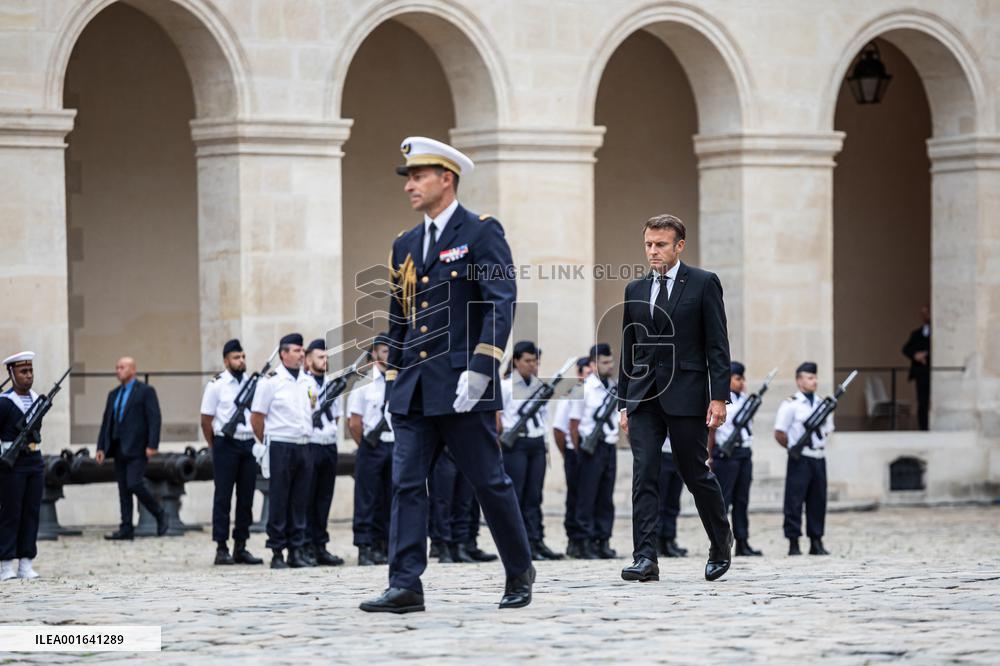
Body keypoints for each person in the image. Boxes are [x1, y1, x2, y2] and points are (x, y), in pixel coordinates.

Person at [359, 136, 533, 614]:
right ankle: (405, 584)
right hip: (413, 388)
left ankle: (519, 569)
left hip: (462, 385)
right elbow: (400, 313)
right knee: (407, 484)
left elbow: (501, 301)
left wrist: (482, 368)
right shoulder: (405, 244)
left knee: (488, 482)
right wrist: (392, 374)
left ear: (446, 179)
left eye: (418, 177)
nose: (409, 186)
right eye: (408, 178)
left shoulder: (480, 232)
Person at [618, 214, 734, 584]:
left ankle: (720, 542)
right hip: (644, 396)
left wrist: (719, 398)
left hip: (686, 392)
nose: (653, 251)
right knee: (644, 473)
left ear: (679, 245)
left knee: (694, 472)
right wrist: (623, 401)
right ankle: (645, 557)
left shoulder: (702, 283)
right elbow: (629, 346)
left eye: (661, 245)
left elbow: (717, 346)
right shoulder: (635, 289)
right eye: (649, 244)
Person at [250, 333, 314, 569]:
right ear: (283, 354)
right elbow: (257, 417)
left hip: (304, 444)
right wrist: (267, 442)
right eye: (296, 351)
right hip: (281, 444)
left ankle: (296, 550)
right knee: (279, 498)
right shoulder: (270, 381)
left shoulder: (307, 381)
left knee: (300, 499)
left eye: (301, 351)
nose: (301, 355)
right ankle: (277, 550)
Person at [199, 339, 263, 565]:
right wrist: (214, 444)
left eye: (243, 356)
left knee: (246, 498)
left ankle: (241, 545)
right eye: (236, 357)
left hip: (247, 444)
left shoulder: (252, 383)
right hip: (225, 444)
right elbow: (206, 419)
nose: (241, 361)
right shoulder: (217, 384)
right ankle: (221, 547)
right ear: (226, 361)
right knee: (223, 497)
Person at [498, 341, 562, 561]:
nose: (533, 365)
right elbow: (497, 418)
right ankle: (518, 543)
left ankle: (536, 540)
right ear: (516, 361)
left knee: (534, 496)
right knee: (517, 495)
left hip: (535, 443)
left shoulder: (538, 386)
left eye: (536, 361)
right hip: (515, 444)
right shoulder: (506, 386)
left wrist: (544, 443)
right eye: (528, 361)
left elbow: (544, 418)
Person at [96, 357, 168, 540]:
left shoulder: (145, 391)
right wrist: (101, 447)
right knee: (123, 489)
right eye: (117, 367)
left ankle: (159, 513)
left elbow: (154, 418)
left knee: (134, 483)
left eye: (122, 367)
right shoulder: (113, 394)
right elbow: (106, 423)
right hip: (117, 446)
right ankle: (126, 528)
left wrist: (153, 445)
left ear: (133, 370)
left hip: (138, 447)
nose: (118, 370)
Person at [775, 362, 833, 556]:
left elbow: (828, 431)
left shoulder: (822, 403)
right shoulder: (791, 404)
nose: (814, 381)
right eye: (809, 378)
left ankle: (816, 541)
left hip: (818, 457)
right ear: (799, 381)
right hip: (800, 458)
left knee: (818, 500)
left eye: (815, 377)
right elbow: (780, 432)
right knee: (794, 500)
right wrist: (793, 448)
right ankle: (794, 542)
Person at [568, 344, 619, 561]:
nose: (610, 366)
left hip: (609, 445)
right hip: (590, 448)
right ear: (593, 364)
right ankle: (583, 541)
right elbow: (573, 424)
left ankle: (603, 539)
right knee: (586, 497)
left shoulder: (614, 387)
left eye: (610, 361)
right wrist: (580, 451)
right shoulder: (584, 388)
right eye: (604, 362)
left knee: (605, 496)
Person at [708, 361, 762, 556]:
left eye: (743, 379)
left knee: (742, 500)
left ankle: (743, 541)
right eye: (738, 378)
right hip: (725, 456)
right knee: (724, 502)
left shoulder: (745, 399)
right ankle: (720, 543)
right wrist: (709, 456)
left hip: (743, 453)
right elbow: (711, 431)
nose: (742, 382)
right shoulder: (719, 401)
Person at [348, 333, 394, 566]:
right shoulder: (362, 384)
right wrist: (366, 445)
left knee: (389, 497)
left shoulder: (399, 381)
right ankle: (364, 547)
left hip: (394, 445)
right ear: (375, 353)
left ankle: (383, 544)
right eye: (385, 351)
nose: (390, 355)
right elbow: (354, 423)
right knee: (367, 498)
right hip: (372, 445)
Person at [0, 352, 44, 580]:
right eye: (23, 372)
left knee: (31, 512)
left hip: (34, 460)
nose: (28, 376)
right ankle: (6, 564)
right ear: (12, 374)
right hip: (12, 463)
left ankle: (26, 562)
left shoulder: (37, 400)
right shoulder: (5, 403)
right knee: (11, 513)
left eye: (30, 371)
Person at [303, 339, 345, 567]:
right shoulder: (302, 383)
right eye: (320, 357)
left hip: (328, 444)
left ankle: (320, 544)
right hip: (310, 444)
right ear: (309, 360)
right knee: (308, 497)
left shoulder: (332, 383)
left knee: (324, 497)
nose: (325, 360)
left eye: (327, 357)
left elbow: (337, 415)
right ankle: (306, 544)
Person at [553, 356, 590, 558]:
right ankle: (574, 541)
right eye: (587, 371)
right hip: (573, 451)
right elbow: (559, 429)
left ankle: (590, 539)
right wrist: (568, 453)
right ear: (579, 373)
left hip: (589, 451)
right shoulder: (571, 394)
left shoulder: (597, 393)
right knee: (575, 496)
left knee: (589, 496)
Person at [657, 434, 688, 558]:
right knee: (660, 502)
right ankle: (657, 541)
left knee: (673, 502)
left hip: (679, 453)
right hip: (661, 453)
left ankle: (669, 539)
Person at [902, 305, 931, 430]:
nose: (925, 316)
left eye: (928, 313)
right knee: (922, 401)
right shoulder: (916, 333)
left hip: (933, 371)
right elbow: (906, 349)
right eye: (923, 313)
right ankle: (923, 428)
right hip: (921, 372)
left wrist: (927, 354)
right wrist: (916, 355)